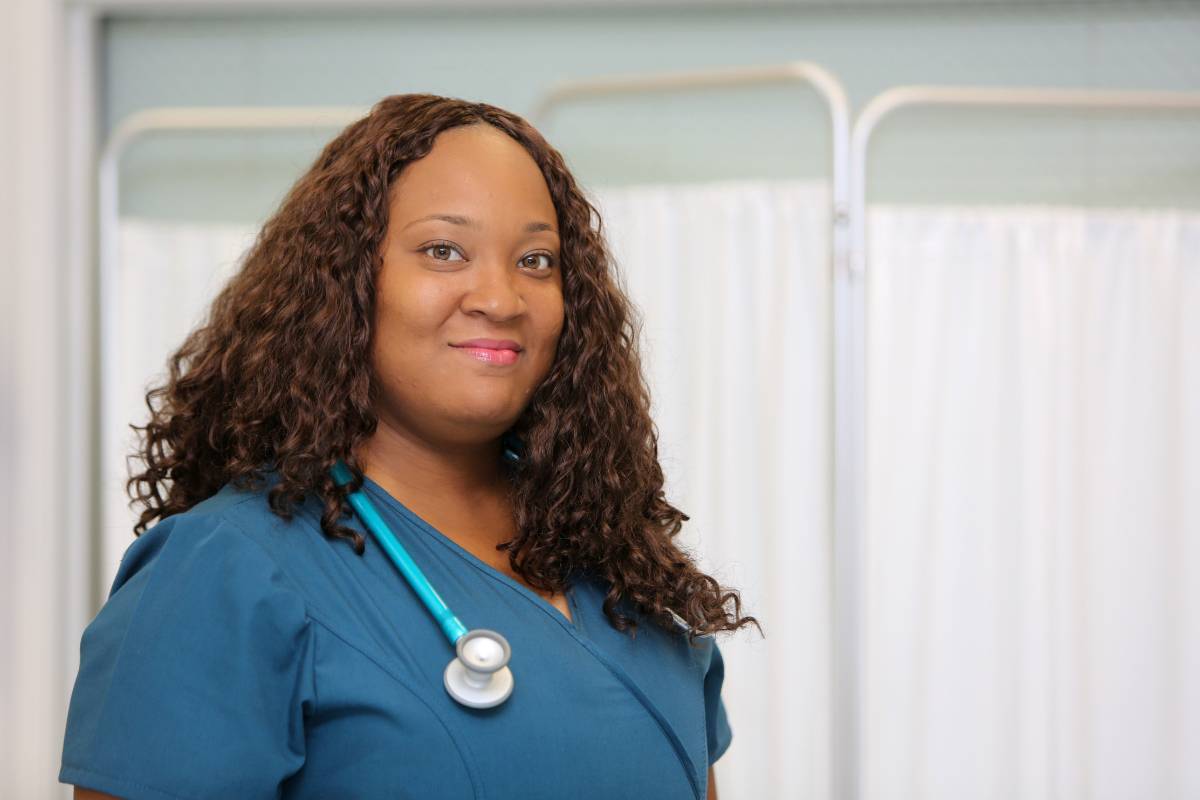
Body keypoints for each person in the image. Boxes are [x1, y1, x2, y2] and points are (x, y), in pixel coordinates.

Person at [60, 93, 761, 800]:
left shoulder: (619, 566)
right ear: (346, 283)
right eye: (443, 250)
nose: (501, 297)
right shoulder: (224, 574)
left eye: (537, 259)